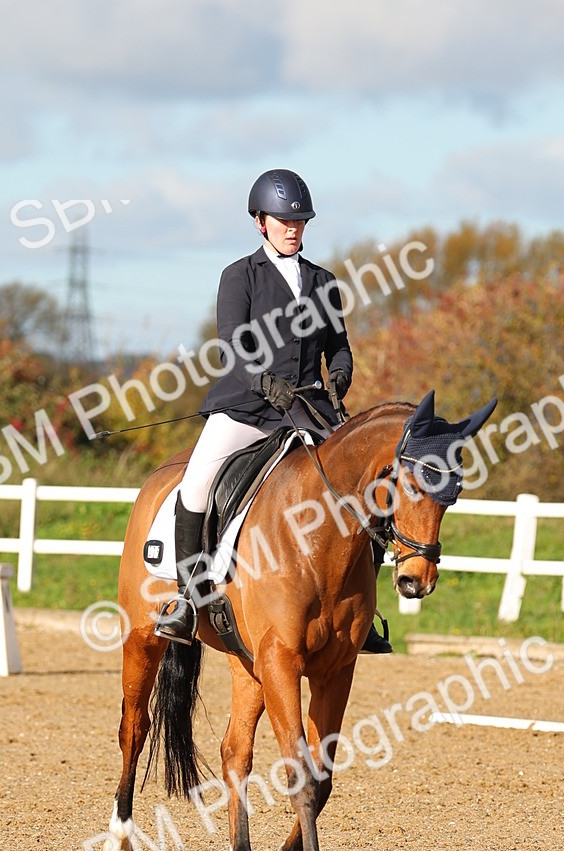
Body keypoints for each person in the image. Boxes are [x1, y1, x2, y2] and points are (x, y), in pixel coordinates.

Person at [154, 167, 391, 653]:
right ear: (261, 221)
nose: (293, 229)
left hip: (308, 410)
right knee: (197, 481)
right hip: (246, 407)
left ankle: (360, 612)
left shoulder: (323, 282)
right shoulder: (240, 276)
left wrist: (340, 375)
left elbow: (340, 346)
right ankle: (185, 597)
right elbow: (232, 348)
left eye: (300, 221)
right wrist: (267, 385)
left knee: (365, 485)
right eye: (284, 221)